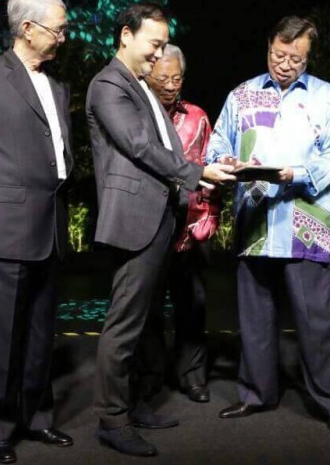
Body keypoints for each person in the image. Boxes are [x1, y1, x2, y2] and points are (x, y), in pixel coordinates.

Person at [87, 2, 235, 457]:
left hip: (158, 219)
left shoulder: (139, 85)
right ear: (126, 36)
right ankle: (112, 420)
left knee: (145, 322)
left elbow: (167, 143)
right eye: (154, 43)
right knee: (124, 325)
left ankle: (133, 405)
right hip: (134, 222)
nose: (159, 53)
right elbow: (138, 145)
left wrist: (210, 166)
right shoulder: (109, 84)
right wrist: (199, 173)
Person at [206, 15, 330, 435]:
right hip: (255, 224)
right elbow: (219, 141)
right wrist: (226, 161)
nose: (285, 64)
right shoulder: (242, 95)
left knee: (316, 319)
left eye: (295, 58)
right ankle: (256, 393)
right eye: (278, 54)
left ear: (309, 57)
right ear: (268, 46)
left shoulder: (328, 98)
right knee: (254, 317)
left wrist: (297, 173)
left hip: (305, 221)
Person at [0, 0, 74, 463]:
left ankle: (37, 417)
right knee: (2, 336)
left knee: (42, 333)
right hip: (3, 229)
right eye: (58, 28)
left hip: (49, 226)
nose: (65, 37)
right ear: (28, 29)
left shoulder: (58, 84)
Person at [144, 44, 219, 403]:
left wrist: (210, 218)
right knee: (149, 307)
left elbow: (211, 169)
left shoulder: (198, 117)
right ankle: (152, 377)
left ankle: (193, 375)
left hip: (192, 226)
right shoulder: (137, 115)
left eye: (177, 78)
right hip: (149, 226)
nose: (171, 86)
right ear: (147, 75)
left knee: (192, 305)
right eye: (163, 79)